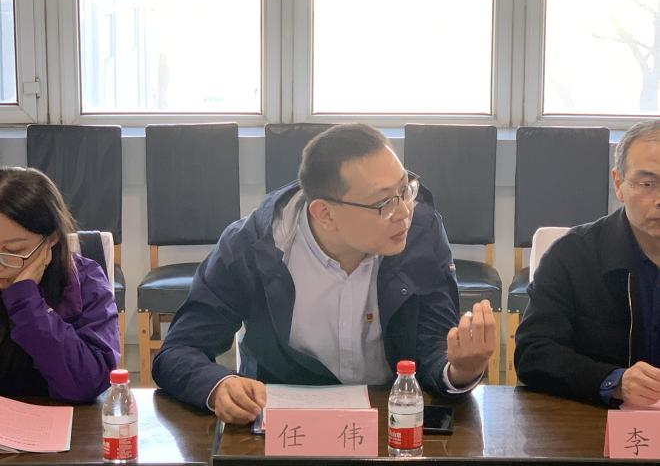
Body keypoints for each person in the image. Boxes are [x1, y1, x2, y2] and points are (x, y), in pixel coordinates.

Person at [153, 123, 496, 423]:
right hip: (283, 422)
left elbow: (433, 349)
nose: (405, 211)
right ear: (325, 214)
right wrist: (218, 385)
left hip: (389, 419)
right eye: (384, 203)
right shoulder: (252, 247)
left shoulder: (421, 232)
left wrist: (460, 370)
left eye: (405, 189)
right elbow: (178, 351)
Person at [515, 119, 660, 407]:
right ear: (618, 184)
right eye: (648, 184)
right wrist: (615, 381)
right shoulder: (571, 255)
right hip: (597, 419)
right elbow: (534, 353)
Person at [0, 166, 120, 401]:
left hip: (58, 418)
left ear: (52, 238)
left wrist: (26, 302)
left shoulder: (84, 281)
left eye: (13, 251)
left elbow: (88, 383)